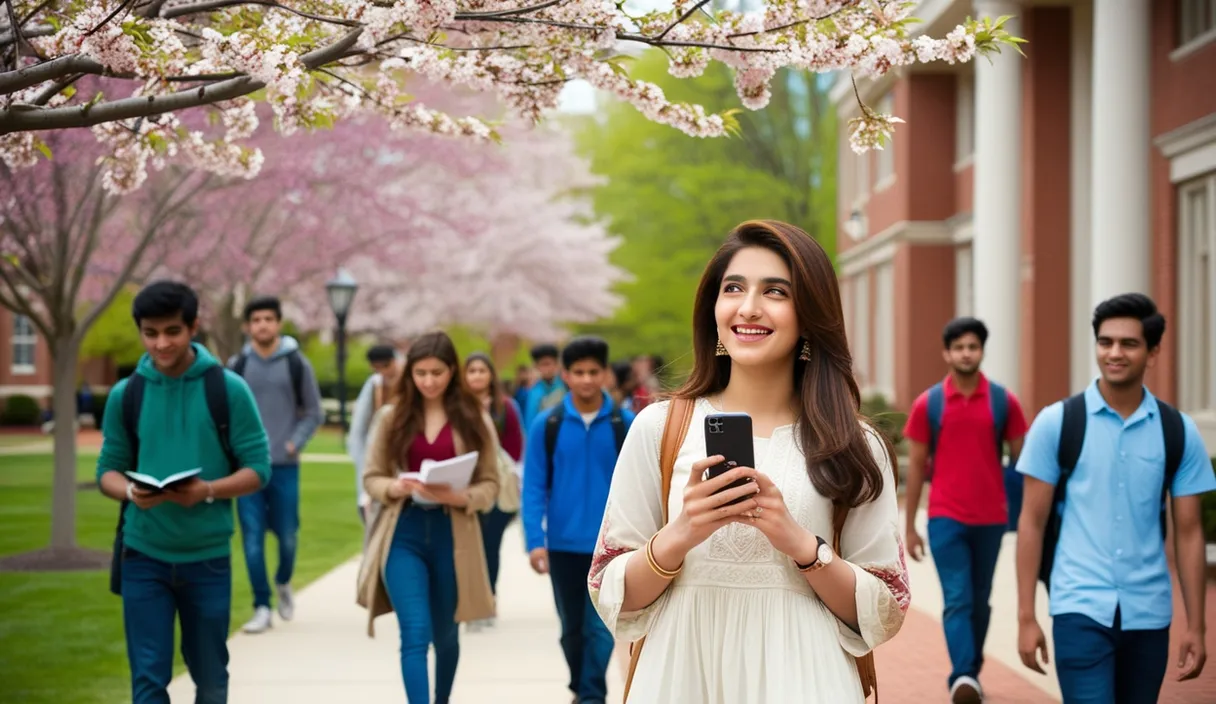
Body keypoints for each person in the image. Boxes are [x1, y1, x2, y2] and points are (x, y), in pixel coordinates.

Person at [587, 220, 908, 704]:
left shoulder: (853, 443)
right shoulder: (658, 428)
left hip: (805, 679)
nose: (748, 307)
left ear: (809, 314)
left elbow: (886, 607)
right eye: (733, 288)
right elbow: (610, 592)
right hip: (680, 677)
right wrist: (682, 532)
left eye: (775, 291)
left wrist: (801, 544)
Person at [1016, 293, 1214, 704]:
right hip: (1079, 605)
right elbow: (1030, 523)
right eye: (1105, 342)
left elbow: (1190, 533)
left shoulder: (1177, 432)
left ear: (1153, 351)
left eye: (1129, 343)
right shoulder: (1057, 423)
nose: (1114, 353)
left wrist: (1197, 625)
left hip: (1150, 612)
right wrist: (1026, 616)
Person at [96, 281, 271, 704]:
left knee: (211, 679)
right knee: (148, 682)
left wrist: (206, 490)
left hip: (206, 559)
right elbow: (107, 472)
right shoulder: (127, 395)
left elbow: (258, 470)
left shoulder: (227, 390)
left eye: (172, 331)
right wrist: (131, 493)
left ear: (193, 327)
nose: (161, 343)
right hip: (143, 556)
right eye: (150, 333)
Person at [356, 331, 500, 704]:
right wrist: (396, 487)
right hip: (403, 533)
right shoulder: (392, 417)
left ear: (452, 371)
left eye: (437, 372)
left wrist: (461, 496)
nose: (429, 381)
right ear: (410, 374)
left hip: (453, 538)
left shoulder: (474, 419)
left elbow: (491, 485)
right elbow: (371, 478)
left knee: (446, 636)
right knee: (415, 633)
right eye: (421, 373)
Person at [901, 316, 1028, 704]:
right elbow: (918, 468)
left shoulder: (1003, 401)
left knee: (980, 598)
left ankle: (968, 674)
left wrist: (1026, 517)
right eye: (959, 347)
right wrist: (910, 527)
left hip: (991, 518)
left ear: (981, 351)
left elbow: (1023, 462)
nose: (966, 353)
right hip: (944, 518)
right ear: (947, 353)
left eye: (972, 347)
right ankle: (963, 677)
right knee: (958, 597)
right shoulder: (930, 403)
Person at [522, 336, 635, 704]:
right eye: (578, 372)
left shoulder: (625, 423)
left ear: (604, 374)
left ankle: (590, 696)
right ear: (566, 375)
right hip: (562, 545)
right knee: (571, 629)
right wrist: (533, 540)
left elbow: (640, 483)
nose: (586, 379)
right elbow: (534, 485)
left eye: (593, 372)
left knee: (601, 627)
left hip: (612, 545)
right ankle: (580, 686)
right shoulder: (548, 423)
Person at [227, 295, 324, 634]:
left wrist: (294, 442)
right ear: (247, 326)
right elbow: (225, 414)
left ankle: (283, 580)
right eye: (256, 320)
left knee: (287, 537)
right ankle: (261, 606)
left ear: (278, 323)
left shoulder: (298, 364)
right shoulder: (236, 366)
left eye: (269, 319)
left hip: (284, 466)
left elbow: (314, 412)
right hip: (247, 469)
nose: (262, 325)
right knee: (252, 538)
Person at [464, 351, 525, 631]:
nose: (477, 375)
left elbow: (515, 447)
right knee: (466, 550)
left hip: (498, 490)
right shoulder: (458, 407)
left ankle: (489, 600)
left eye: (481, 370)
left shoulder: (505, 407)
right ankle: (469, 603)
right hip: (465, 488)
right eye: (471, 370)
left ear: (491, 375)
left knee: (490, 548)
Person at [349, 344, 404, 526]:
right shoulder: (374, 385)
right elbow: (359, 427)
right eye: (377, 368)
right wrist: (361, 460)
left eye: (386, 366)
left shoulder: (410, 380)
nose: (383, 372)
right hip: (377, 453)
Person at [522, 343, 566, 429]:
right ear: (536, 367)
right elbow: (530, 421)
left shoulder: (566, 387)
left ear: (557, 364)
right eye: (542, 365)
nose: (546, 369)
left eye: (548, 364)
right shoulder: (533, 391)